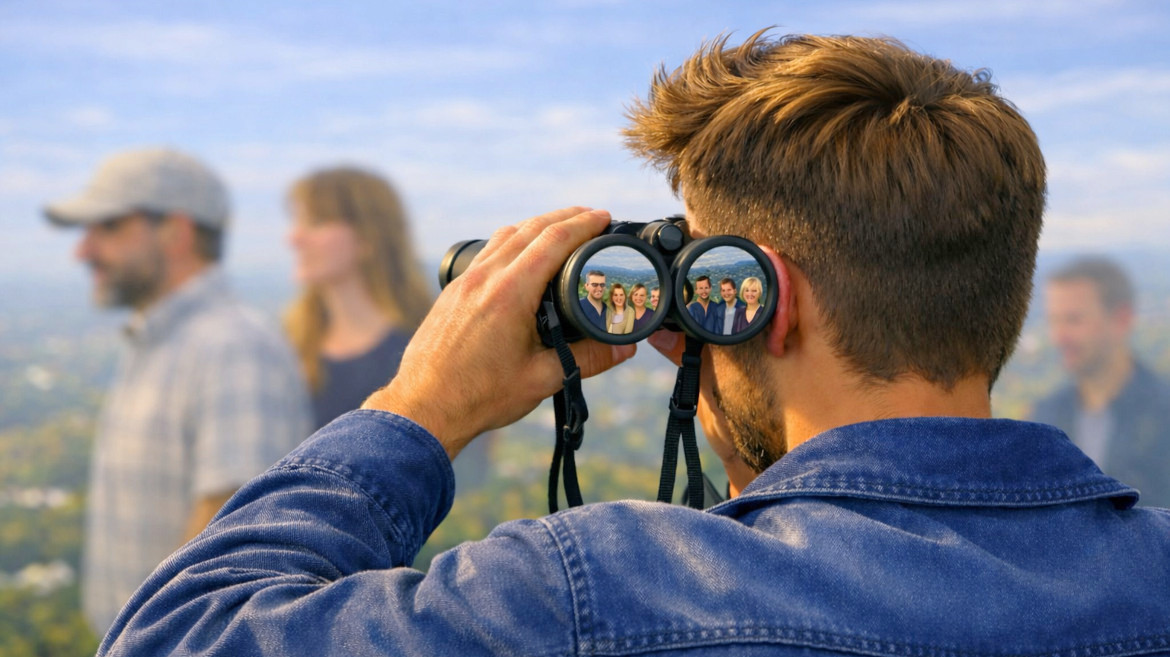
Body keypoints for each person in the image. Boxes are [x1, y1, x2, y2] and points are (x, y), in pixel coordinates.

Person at [98, 34, 1170, 657]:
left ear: (753, 301)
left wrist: (419, 406)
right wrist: (770, 464)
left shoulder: (605, 593)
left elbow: (179, 636)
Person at [43, 147, 312, 636]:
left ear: (176, 231)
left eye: (108, 226)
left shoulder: (233, 348)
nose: (83, 251)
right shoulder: (160, 342)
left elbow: (233, 562)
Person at [284, 166, 432, 431]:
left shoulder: (422, 352)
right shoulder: (289, 342)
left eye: (316, 222)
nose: (294, 237)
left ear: (368, 236)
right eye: (298, 222)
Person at [1029, 256, 1170, 507]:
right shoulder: (1045, 417)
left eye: (1073, 319)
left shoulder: (1164, 414)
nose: (1059, 336)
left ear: (1121, 320)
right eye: (1054, 320)